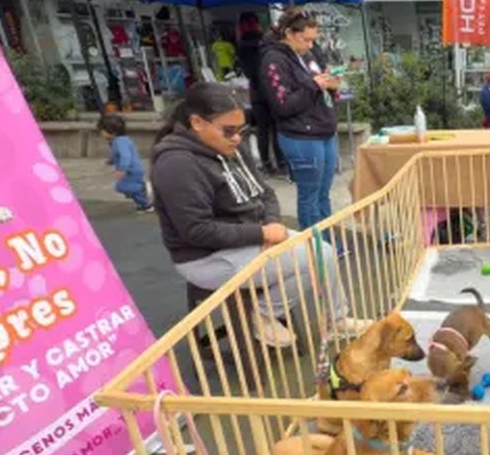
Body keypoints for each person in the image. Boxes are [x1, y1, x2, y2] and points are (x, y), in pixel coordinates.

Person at [150, 83, 365, 348]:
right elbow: (196, 231)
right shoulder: (177, 164)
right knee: (310, 259)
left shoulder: (233, 149)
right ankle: (263, 315)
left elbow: (266, 193)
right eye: (228, 131)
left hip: (249, 238)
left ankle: (337, 320)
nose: (237, 138)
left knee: (324, 253)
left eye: (241, 130)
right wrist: (261, 233)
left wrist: (272, 223)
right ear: (197, 122)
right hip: (205, 257)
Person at [260, 9, 341, 230]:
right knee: (310, 196)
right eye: (306, 39)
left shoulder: (308, 55)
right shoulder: (273, 61)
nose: (310, 45)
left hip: (323, 130)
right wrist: (314, 85)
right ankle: (314, 248)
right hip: (301, 136)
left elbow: (321, 86)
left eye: (313, 40)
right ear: (289, 33)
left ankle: (327, 240)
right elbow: (283, 105)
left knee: (323, 194)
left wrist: (332, 87)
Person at [237, 12, 286, 176]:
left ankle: (266, 164)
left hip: (256, 91)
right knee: (276, 129)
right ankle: (281, 162)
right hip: (270, 89)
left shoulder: (242, 45)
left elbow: (248, 71)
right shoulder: (265, 43)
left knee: (262, 130)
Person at [96, 114, 152, 212]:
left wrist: (122, 169)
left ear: (111, 131)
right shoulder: (117, 141)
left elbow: (125, 156)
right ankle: (145, 204)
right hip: (131, 170)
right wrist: (111, 161)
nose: (101, 133)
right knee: (129, 191)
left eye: (102, 131)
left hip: (132, 170)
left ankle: (143, 188)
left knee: (121, 187)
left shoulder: (120, 141)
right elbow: (117, 154)